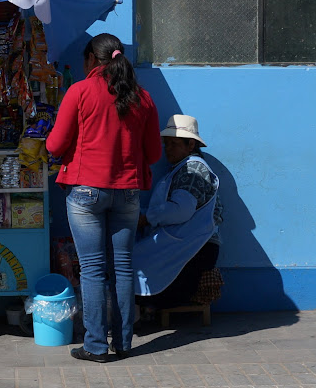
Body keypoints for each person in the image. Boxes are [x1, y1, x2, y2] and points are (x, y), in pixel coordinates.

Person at [46, 33, 161, 362]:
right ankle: (123, 343)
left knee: (93, 270)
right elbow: (154, 153)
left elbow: (55, 145)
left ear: (90, 60)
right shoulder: (142, 98)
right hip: (127, 193)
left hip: (85, 191)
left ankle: (96, 346)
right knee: (123, 268)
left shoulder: (80, 91)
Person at [133, 114, 223, 318]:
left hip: (197, 247)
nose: (168, 149)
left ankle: (142, 309)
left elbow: (180, 210)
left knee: (134, 263)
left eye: (174, 144)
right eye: (166, 144)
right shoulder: (181, 169)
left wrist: (146, 218)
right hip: (185, 242)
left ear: (190, 144)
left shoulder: (193, 169)